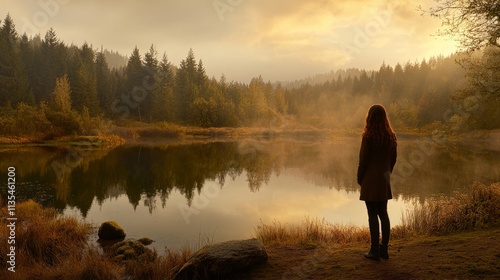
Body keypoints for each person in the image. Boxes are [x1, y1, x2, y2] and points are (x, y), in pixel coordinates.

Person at [357, 104, 397, 261]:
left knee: (372, 214)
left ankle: (374, 251)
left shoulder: (368, 137)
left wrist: (360, 178)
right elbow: (393, 160)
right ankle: (384, 250)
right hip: (384, 179)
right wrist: (387, 174)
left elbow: (363, 161)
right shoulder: (391, 137)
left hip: (370, 180)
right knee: (383, 213)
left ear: (370, 118)